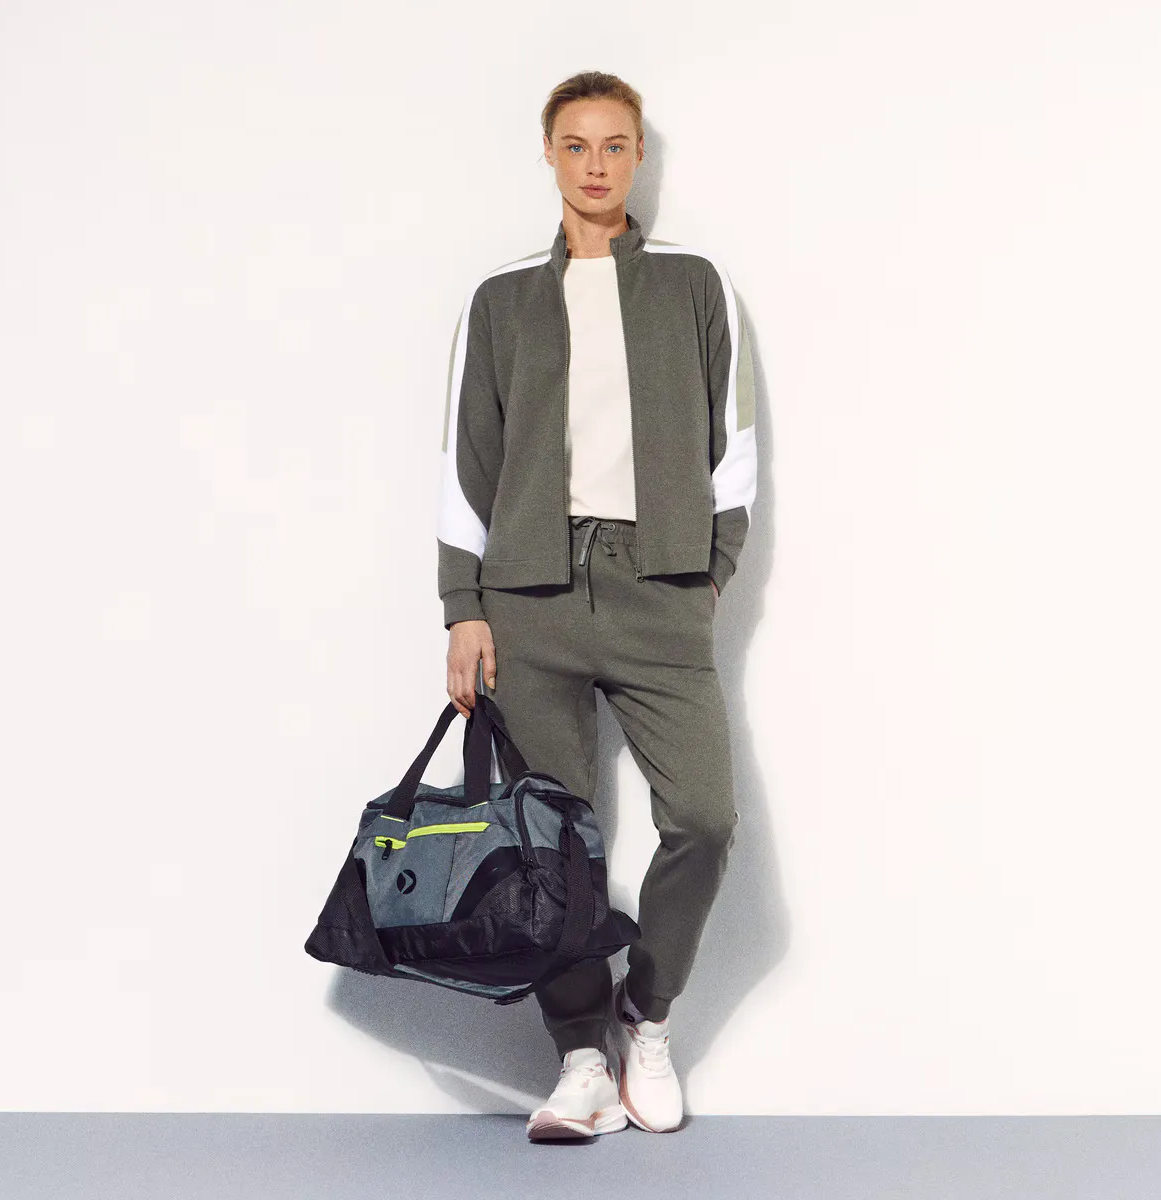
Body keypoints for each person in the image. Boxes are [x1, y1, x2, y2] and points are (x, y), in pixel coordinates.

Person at [436, 70, 758, 1140]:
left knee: (703, 818)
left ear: (638, 156)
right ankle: (579, 1052)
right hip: (528, 595)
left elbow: (735, 446)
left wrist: (706, 576)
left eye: (615, 145)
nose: (596, 165)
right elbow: (465, 462)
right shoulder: (499, 300)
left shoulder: (694, 285)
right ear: (549, 154)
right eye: (576, 145)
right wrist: (463, 604)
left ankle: (645, 1017)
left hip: (659, 590)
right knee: (549, 842)